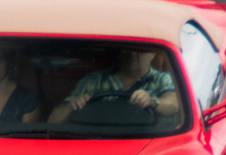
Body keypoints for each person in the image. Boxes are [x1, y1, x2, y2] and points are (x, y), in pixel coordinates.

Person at [48, 48, 181, 123]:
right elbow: (53, 122)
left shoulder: (161, 78)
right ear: (119, 54)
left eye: (139, 49)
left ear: (152, 54)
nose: (132, 55)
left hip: (148, 144)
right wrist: (72, 105)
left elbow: (174, 104)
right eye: (126, 50)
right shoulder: (94, 80)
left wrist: (152, 101)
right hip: (95, 143)